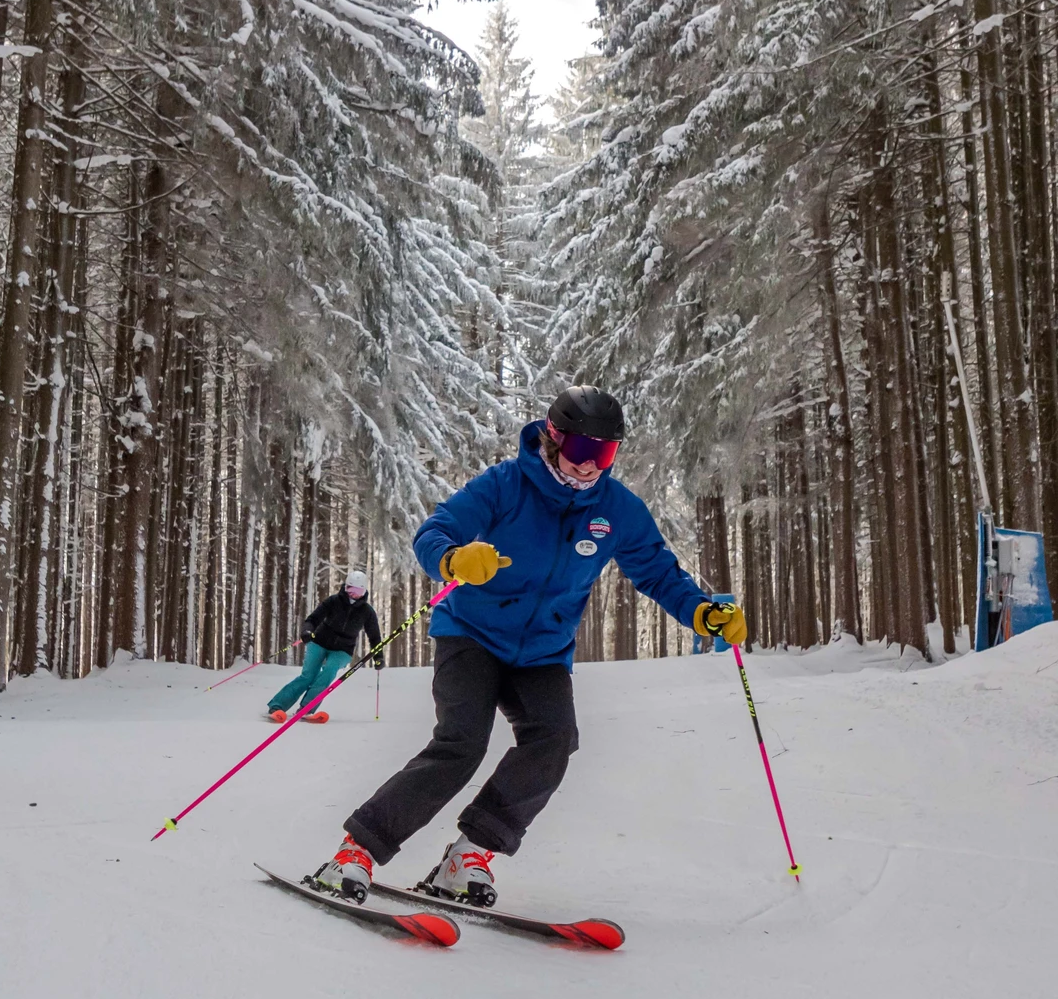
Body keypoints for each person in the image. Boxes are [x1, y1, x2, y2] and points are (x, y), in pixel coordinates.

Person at [309, 386, 747, 905]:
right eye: (582, 450)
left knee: (554, 740)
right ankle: (356, 851)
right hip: (470, 634)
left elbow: (658, 572)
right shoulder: (505, 485)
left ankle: (469, 855)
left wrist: (701, 612)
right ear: (554, 438)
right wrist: (453, 559)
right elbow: (434, 532)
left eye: (605, 453)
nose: (591, 465)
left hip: (542, 651)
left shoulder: (616, 509)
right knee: (462, 743)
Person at [267, 570, 383, 726]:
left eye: (358, 590)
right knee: (308, 676)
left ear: (364, 591)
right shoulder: (333, 601)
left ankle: (307, 709)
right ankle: (277, 707)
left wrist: (378, 656)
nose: (353, 594)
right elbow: (313, 619)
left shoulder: (367, 612)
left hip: (343, 650)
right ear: (346, 587)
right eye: (350, 589)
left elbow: (374, 636)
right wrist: (307, 631)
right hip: (319, 642)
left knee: (328, 672)